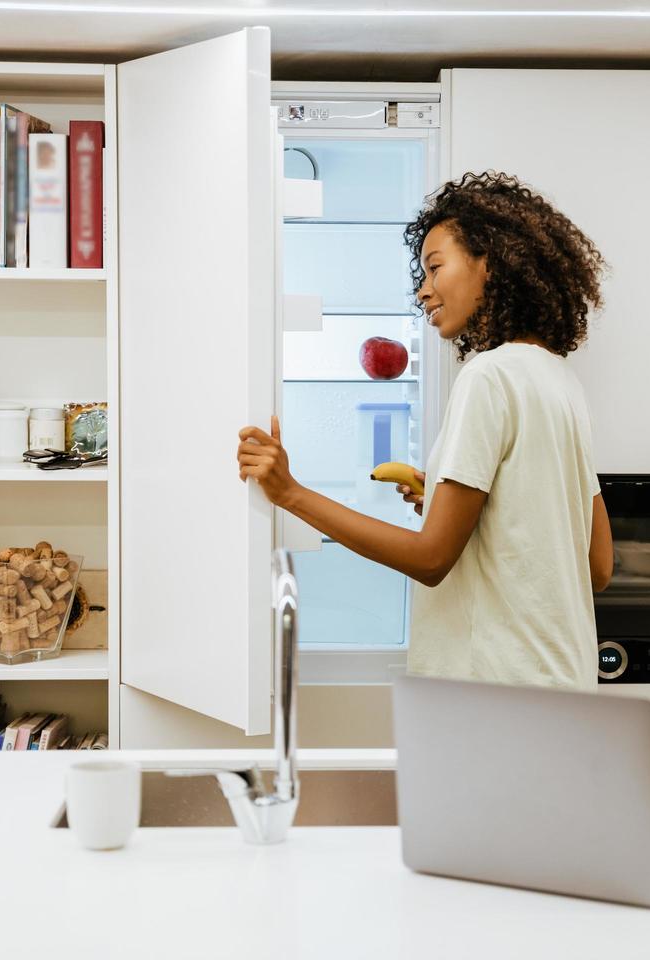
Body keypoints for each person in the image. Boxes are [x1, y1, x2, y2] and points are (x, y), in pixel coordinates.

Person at [237, 171, 613, 690]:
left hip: (496, 694)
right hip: (566, 685)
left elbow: (431, 559)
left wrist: (291, 494)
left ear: (492, 261)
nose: (424, 290)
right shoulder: (561, 380)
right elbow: (597, 565)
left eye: (436, 267)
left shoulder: (489, 376)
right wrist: (464, 511)